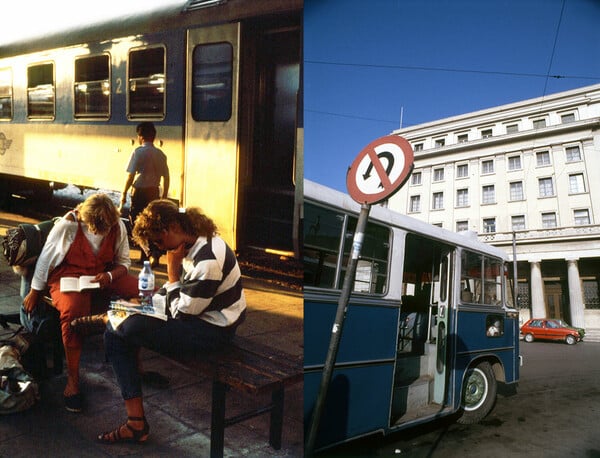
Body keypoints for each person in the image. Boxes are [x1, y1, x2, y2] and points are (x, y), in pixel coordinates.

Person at [97, 200, 246, 444]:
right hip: (200, 318)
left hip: (213, 331)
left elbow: (183, 313)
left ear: (171, 229)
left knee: (124, 328)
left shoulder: (207, 259)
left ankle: (136, 424)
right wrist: (144, 303)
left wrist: (173, 273)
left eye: (158, 241)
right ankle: (136, 424)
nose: (160, 249)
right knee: (118, 328)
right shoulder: (192, 244)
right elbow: (177, 299)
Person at [23, 193, 139, 413]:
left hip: (101, 276)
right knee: (74, 313)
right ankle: (73, 381)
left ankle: (136, 363)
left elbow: (124, 262)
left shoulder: (117, 226)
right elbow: (45, 261)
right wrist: (34, 291)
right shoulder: (68, 225)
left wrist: (110, 277)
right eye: (96, 228)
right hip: (67, 276)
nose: (101, 233)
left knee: (142, 291)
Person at [119, 121, 170, 266]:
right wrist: (164, 196)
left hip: (139, 192)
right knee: (151, 223)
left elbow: (130, 175)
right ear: (154, 136)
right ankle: (148, 256)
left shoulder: (137, 152)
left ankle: (149, 252)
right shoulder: (161, 154)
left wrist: (123, 193)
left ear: (140, 136)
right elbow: (166, 177)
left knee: (136, 224)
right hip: (153, 191)